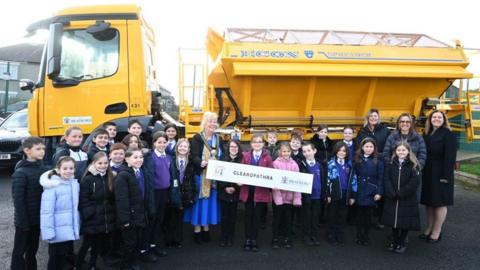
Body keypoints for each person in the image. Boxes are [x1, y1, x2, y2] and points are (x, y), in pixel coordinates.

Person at [184, 112, 223, 243]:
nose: (212, 124)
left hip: (214, 178)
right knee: (200, 203)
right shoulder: (197, 138)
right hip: (201, 176)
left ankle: (206, 228)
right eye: (209, 121)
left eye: (214, 121)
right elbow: (193, 155)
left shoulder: (219, 138)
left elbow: (222, 156)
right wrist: (200, 162)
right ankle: (197, 230)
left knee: (209, 203)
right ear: (204, 123)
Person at [11, 137, 48, 270]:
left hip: (37, 220)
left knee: (32, 251)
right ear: (27, 150)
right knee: (19, 252)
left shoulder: (43, 170)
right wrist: (24, 223)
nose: (42, 151)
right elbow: (18, 202)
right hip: (24, 222)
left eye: (43, 148)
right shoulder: (20, 173)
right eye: (38, 149)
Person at [420, 110, 457, 243]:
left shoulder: (449, 135)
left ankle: (437, 231)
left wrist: (445, 176)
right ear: (430, 119)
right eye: (434, 117)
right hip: (428, 172)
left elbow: (450, 158)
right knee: (429, 203)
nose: (436, 119)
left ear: (444, 119)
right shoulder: (427, 134)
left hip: (441, 173)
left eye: (439, 117)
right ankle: (429, 228)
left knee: (440, 203)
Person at [40, 157, 81, 270]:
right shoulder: (52, 186)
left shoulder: (74, 184)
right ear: (58, 170)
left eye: (71, 168)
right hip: (56, 230)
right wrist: (49, 232)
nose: (68, 171)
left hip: (68, 229)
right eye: (65, 168)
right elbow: (47, 212)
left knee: (65, 257)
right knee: (55, 258)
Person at [77, 152, 116, 269]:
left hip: (105, 216)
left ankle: (92, 264)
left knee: (97, 244)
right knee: (87, 243)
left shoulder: (111, 176)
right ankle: (78, 264)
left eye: (105, 163)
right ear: (93, 163)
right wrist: (90, 213)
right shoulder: (87, 179)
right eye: (100, 163)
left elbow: (112, 198)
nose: (103, 165)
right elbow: (83, 199)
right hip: (93, 217)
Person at [382, 141, 421, 253]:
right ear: (395, 151)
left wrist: (401, 193)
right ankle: (393, 240)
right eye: (399, 150)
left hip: (406, 198)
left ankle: (401, 242)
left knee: (405, 222)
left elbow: (414, 183)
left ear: (408, 151)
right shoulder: (390, 163)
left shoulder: (414, 165)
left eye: (403, 150)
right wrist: (391, 192)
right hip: (393, 197)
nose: (401, 152)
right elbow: (387, 179)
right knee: (394, 221)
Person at [114, 148, 148, 270]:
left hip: (138, 213)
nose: (139, 160)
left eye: (141, 157)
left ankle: (132, 263)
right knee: (129, 243)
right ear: (127, 159)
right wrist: (125, 220)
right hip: (129, 216)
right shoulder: (123, 176)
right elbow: (121, 199)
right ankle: (125, 265)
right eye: (135, 157)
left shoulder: (139, 171)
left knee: (136, 241)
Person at [239, 133, 273, 252]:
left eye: (259, 142)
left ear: (263, 144)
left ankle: (254, 239)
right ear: (251, 144)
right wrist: (239, 181)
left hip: (261, 192)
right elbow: (240, 171)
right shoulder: (246, 156)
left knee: (257, 217)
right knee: (248, 216)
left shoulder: (267, 158)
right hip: (248, 191)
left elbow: (271, 175)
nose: (257, 144)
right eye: (255, 142)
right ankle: (247, 239)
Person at [142, 131, 171, 260]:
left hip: (164, 193)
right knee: (151, 221)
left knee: (159, 221)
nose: (162, 144)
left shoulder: (168, 157)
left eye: (164, 142)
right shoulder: (150, 158)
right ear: (154, 143)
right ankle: (146, 249)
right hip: (154, 193)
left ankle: (154, 246)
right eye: (159, 142)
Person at [166, 138, 196, 248]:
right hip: (172, 193)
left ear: (188, 149)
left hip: (184, 194)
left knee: (179, 218)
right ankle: (169, 240)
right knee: (170, 218)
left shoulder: (190, 162)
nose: (182, 148)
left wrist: (191, 195)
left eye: (185, 146)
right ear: (177, 148)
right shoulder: (171, 160)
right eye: (180, 146)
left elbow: (191, 180)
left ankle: (178, 239)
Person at [353, 138, 384, 246]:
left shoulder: (378, 161)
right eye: (366, 146)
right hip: (360, 189)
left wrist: (379, 192)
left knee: (368, 216)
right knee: (359, 215)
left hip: (371, 190)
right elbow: (353, 176)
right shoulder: (357, 159)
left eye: (371, 147)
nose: (369, 149)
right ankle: (358, 235)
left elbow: (381, 178)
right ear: (362, 147)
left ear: (374, 148)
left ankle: (366, 236)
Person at [272, 142, 302, 249]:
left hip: (290, 199)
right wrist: (278, 199)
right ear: (280, 152)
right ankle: (275, 239)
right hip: (278, 198)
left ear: (291, 152)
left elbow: (298, 183)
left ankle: (287, 239)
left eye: (288, 151)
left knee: (289, 220)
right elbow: (274, 183)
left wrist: (297, 198)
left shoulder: (294, 165)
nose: (286, 153)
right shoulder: (275, 164)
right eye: (284, 151)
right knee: (277, 219)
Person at [326, 142, 357, 246]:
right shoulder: (330, 164)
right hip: (334, 194)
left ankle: (340, 234)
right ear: (335, 151)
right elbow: (327, 180)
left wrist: (353, 195)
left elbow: (354, 180)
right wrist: (328, 195)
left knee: (342, 215)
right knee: (332, 215)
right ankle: (331, 234)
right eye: (339, 150)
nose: (341, 152)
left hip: (346, 194)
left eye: (344, 151)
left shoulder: (350, 164)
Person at [300, 142, 326, 247]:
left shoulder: (320, 165)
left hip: (318, 196)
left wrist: (324, 194)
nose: (307, 153)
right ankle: (306, 236)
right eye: (304, 151)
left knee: (315, 217)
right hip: (306, 196)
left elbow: (323, 180)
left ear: (314, 151)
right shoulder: (301, 165)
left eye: (309, 150)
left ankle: (314, 235)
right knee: (306, 217)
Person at [218, 140, 242, 247]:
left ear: (239, 148)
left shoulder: (242, 161)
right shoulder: (222, 159)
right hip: (224, 193)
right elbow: (218, 176)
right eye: (231, 147)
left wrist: (235, 187)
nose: (234, 148)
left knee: (233, 217)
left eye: (236, 147)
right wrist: (225, 187)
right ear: (228, 148)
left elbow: (244, 176)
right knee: (224, 217)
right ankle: (223, 237)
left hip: (236, 193)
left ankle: (230, 238)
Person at [310, 124, 332, 225]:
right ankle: (315, 217)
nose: (323, 134)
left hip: (328, 168)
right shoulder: (313, 142)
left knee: (325, 190)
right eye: (321, 131)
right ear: (317, 132)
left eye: (325, 132)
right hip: (318, 167)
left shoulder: (330, 142)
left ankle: (323, 216)